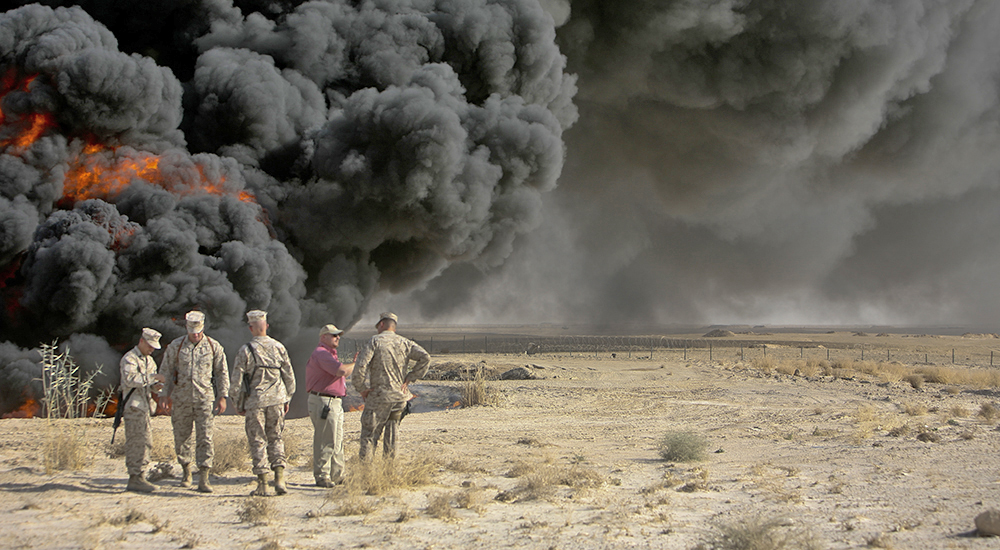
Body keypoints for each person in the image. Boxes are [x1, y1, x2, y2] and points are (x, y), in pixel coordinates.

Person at [159, 310, 229, 493]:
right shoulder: (176, 346)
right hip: (181, 399)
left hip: (204, 399)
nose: (195, 334)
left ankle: (204, 477)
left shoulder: (213, 347)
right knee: (182, 437)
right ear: (187, 328)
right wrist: (163, 394)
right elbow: (165, 370)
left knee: (205, 437)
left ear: (203, 327)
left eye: (198, 331)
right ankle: (186, 472)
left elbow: (222, 372)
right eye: (192, 331)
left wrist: (222, 396)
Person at [229, 310, 296, 496]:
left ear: (251, 328)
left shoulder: (245, 350)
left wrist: (236, 402)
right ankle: (280, 478)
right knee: (276, 438)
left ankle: (263, 484)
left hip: (255, 402)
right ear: (266, 326)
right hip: (277, 401)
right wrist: (287, 398)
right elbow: (289, 377)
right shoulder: (279, 347)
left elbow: (235, 381)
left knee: (258, 441)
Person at [352, 312, 430, 459]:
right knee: (392, 437)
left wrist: (362, 389)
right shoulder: (405, 342)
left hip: (378, 398)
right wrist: (409, 378)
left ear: (381, 324)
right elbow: (426, 357)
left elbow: (360, 367)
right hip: (398, 398)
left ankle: (364, 474)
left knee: (369, 435)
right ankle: (390, 473)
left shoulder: (375, 341)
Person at [305, 324, 355, 487]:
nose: (337, 337)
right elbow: (340, 371)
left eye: (338, 335)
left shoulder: (329, 354)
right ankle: (322, 475)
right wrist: (355, 363)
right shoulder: (321, 353)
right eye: (333, 335)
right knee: (326, 439)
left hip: (333, 401)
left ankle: (337, 475)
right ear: (323, 337)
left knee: (336, 440)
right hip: (325, 401)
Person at [119, 327, 166, 493]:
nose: (152, 349)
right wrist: (153, 378)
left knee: (146, 442)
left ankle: (140, 476)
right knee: (136, 442)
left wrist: (157, 386)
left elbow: (150, 387)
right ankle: (135, 477)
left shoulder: (149, 361)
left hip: (145, 408)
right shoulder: (130, 359)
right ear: (141, 341)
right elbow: (131, 379)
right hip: (134, 407)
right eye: (150, 346)